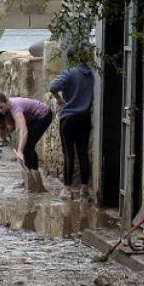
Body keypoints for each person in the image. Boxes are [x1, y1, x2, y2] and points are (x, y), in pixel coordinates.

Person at [50, 48, 94, 200]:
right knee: (83, 153)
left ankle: (67, 189)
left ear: (72, 60)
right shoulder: (92, 75)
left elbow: (52, 87)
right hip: (85, 118)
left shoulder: (69, 73)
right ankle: (84, 189)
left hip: (68, 118)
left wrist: (59, 99)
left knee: (68, 154)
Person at [0, 92, 53, 171]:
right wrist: (5, 133)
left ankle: (33, 174)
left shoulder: (15, 107)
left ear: (6, 102)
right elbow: (12, 128)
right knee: (27, 146)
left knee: (28, 146)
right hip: (32, 119)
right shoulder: (6, 111)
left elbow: (23, 131)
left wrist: (19, 151)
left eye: (1, 107)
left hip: (43, 115)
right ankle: (29, 174)